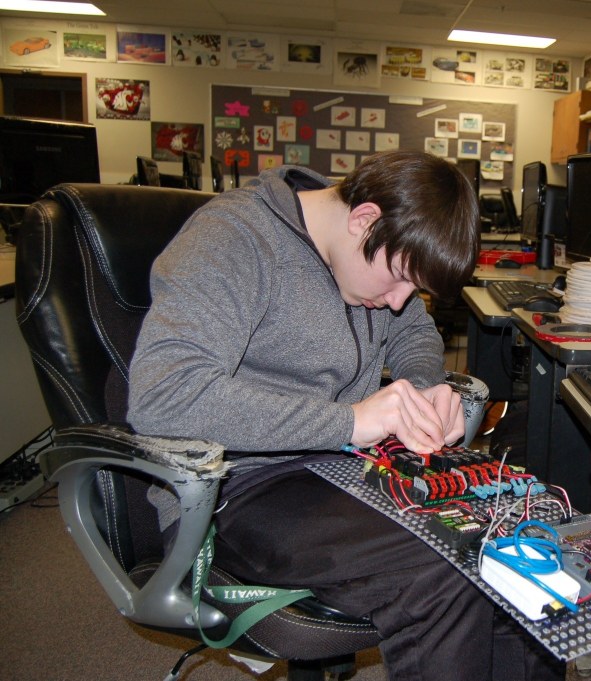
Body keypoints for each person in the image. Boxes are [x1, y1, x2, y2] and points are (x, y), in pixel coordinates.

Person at [128, 151, 564, 681]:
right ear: (364, 220)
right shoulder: (232, 238)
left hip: (344, 469)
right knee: (446, 568)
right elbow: (165, 395)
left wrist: (427, 386)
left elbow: (412, 333)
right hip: (229, 488)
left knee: (518, 539)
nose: (402, 300)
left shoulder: (371, 260)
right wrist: (352, 421)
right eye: (399, 279)